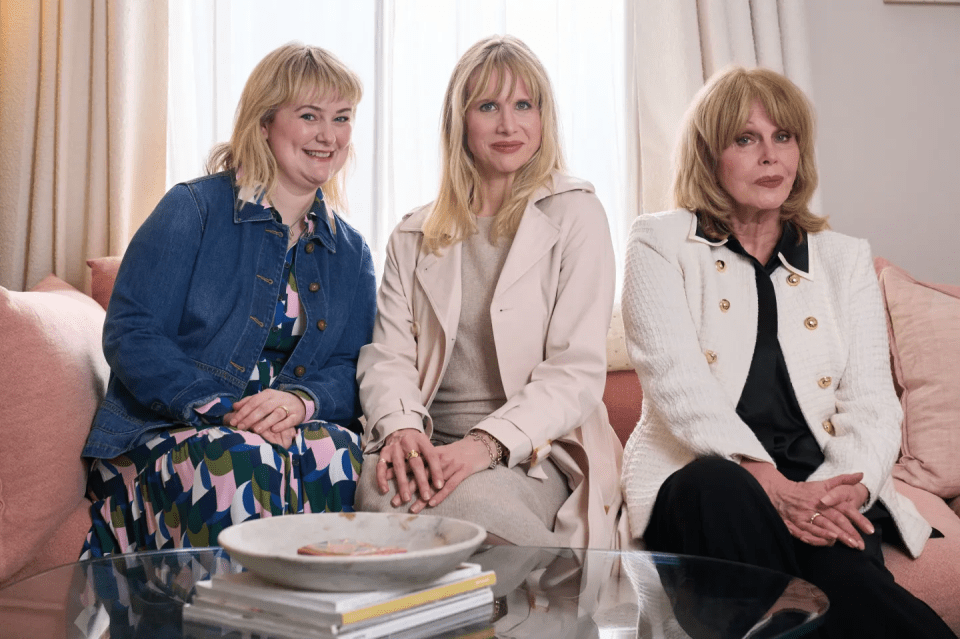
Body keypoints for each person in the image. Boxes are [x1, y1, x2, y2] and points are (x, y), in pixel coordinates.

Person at [619, 65, 956, 637]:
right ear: (709, 155)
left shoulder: (843, 258)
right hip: (708, 484)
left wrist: (835, 492)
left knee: (843, 581)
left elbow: (874, 405)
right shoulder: (659, 243)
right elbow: (680, 388)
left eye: (783, 137)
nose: (770, 156)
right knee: (718, 486)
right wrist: (772, 486)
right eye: (745, 139)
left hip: (821, 481)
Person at [80, 43, 376, 556]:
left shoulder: (349, 250)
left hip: (285, 429)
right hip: (173, 428)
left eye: (341, 118)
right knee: (239, 459)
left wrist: (300, 402)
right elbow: (133, 333)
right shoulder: (192, 208)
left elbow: (354, 363)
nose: (329, 135)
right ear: (265, 123)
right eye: (309, 116)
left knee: (344, 454)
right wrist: (222, 408)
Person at [354, 35, 623, 548]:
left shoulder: (578, 214)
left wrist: (486, 445)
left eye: (524, 105)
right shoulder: (413, 233)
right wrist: (402, 431)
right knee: (388, 496)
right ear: (461, 122)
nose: (508, 124)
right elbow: (388, 357)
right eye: (488, 106)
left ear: (544, 120)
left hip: (533, 456)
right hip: (425, 446)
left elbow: (576, 371)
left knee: (471, 512)